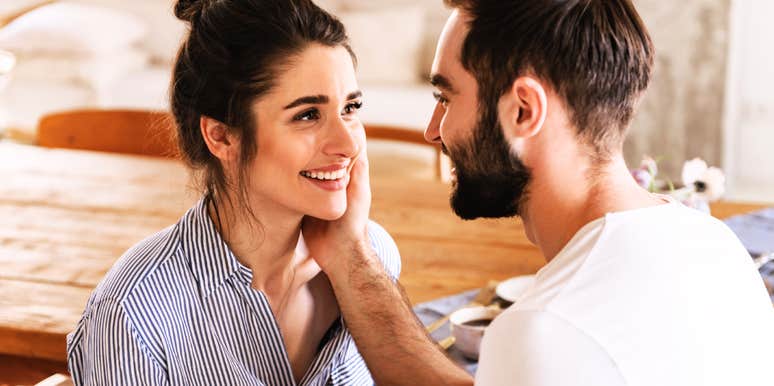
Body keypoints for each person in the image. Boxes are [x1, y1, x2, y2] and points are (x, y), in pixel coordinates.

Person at [302, 0, 774, 385]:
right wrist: (353, 259)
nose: (432, 131)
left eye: (445, 98)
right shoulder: (714, 244)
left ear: (524, 110)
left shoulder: (548, 331)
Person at [66, 1, 400, 384]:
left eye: (351, 108)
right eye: (308, 115)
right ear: (222, 136)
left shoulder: (374, 258)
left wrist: (355, 261)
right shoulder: (136, 316)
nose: (347, 143)